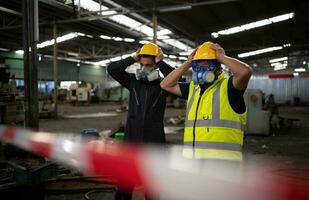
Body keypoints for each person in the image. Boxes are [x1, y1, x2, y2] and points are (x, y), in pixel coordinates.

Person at [160, 41, 252, 161]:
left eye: (206, 65)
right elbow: (165, 84)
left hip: (222, 166)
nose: (200, 70)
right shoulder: (194, 88)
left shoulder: (229, 87)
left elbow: (245, 72)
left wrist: (222, 57)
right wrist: (187, 63)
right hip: (193, 163)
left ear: (218, 68)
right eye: (197, 66)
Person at [107, 42, 173, 200]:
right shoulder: (133, 82)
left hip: (154, 140)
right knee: (125, 183)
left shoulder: (164, 85)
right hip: (132, 138)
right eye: (142, 64)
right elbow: (112, 69)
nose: (144, 69)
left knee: (153, 185)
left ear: (155, 66)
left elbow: (180, 77)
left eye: (149, 65)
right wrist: (133, 57)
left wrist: (161, 61)